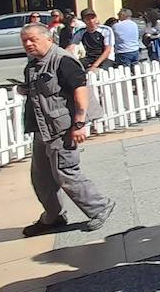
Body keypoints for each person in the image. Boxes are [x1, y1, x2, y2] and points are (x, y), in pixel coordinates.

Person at [17, 24, 115, 237]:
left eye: (33, 39)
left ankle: (99, 206)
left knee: (66, 172)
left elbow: (80, 90)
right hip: (43, 128)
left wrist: (79, 123)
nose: (28, 44)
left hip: (62, 128)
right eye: (24, 40)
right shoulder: (34, 64)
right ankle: (53, 216)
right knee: (41, 177)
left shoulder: (63, 60)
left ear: (48, 39)